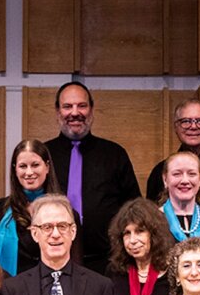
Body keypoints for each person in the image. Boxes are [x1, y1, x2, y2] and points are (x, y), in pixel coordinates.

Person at [45, 81, 141, 273]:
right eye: (67, 106)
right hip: (52, 260)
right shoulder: (43, 156)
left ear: (92, 110)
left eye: (82, 105)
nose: (75, 112)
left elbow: (134, 209)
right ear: (57, 112)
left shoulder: (114, 154)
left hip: (107, 263)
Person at [0, 138, 61, 276]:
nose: (29, 172)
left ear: (47, 167)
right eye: (23, 166)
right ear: (15, 169)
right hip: (8, 290)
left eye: (35, 165)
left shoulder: (63, 212)